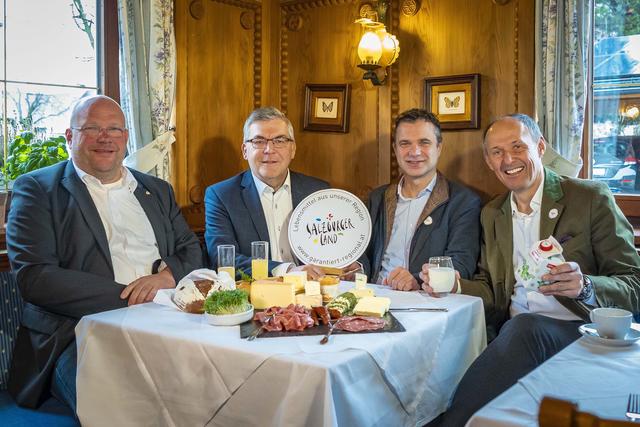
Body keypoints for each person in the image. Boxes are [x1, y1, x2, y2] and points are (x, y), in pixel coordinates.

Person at [422, 113, 640, 426]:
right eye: (497, 152)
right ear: (489, 161)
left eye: (517, 147)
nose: (508, 159)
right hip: (512, 334)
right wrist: (455, 286)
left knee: (525, 328)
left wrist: (586, 286)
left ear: (539, 147)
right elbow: (492, 290)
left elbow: (634, 284)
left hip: (577, 329)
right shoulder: (493, 213)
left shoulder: (589, 198)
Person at [6, 95, 203, 413]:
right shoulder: (37, 189)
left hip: (169, 323)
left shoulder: (157, 189)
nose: (105, 137)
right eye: (92, 128)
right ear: (70, 136)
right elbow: (36, 277)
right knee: (127, 406)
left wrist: (166, 277)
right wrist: (136, 298)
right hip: (77, 334)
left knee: (215, 390)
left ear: (126, 137)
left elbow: (190, 248)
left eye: (114, 129)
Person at [206, 107, 358, 280]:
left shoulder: (318, 191)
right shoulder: (222, 196)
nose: (269, 149)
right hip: (257, 294)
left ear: (292, 149)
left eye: (279, 140)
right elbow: (223, 259)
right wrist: (286, 271)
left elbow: (346, 245)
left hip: (315, 290)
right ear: (245, 150)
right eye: (259, 141)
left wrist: (352, 265)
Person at [363, 108, 481, 290]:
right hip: (373, 299)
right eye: (405, 143)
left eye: (424, 142)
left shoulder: (464, 203)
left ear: (439, 147)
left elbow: (462, 265)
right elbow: (362, 253)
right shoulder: (377, 198)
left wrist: (418, 281)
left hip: (427, 303)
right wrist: (354, 267)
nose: (415, 152)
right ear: (395, 149)